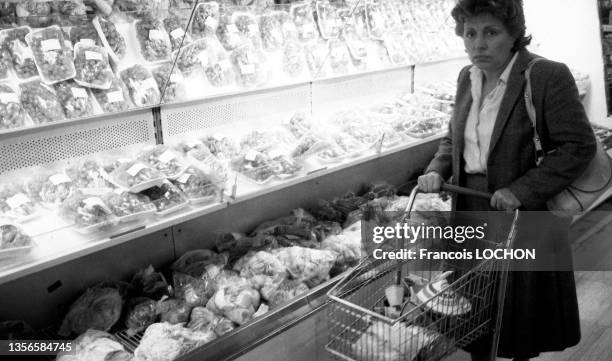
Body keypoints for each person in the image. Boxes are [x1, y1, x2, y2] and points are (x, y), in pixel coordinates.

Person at [417, 0, 596, 360]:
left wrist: (520, 190)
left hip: (523, 213)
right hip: (470, 207)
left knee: (519, 313)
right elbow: (454, 137)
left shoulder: (546, 76)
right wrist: (437, 168)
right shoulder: (467, 77)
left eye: (491, 32)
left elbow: (578, 145)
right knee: (474, 307)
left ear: (514, 33)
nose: (478, 44)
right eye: (470, 33)